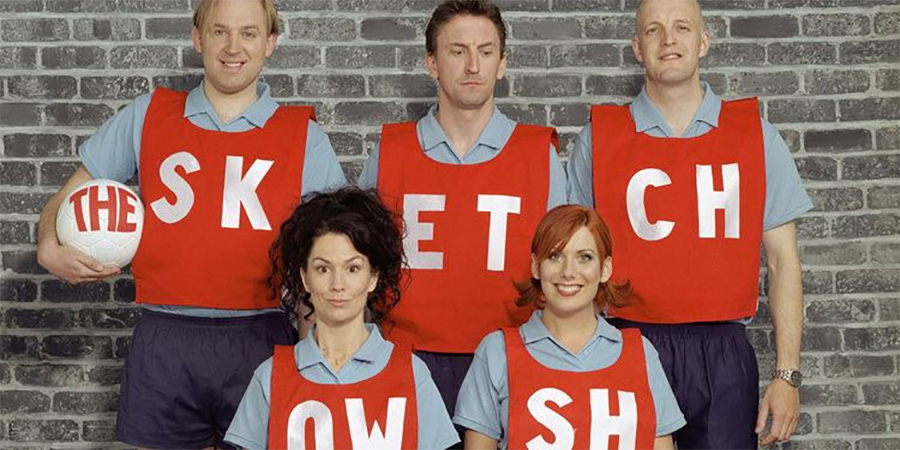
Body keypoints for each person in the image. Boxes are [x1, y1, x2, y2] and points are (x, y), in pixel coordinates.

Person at [35, 0, 346, 447]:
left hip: (261, 335)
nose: (233, 47)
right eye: (220, 32)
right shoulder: (149, 114)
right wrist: (48, 244)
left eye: (249, 33)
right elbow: (66, 196)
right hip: (164, 337)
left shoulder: (304, 136)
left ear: (271, 43)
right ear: (198, 38)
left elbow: (330, 253)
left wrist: (317, 345)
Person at [566, 0, 812, 447]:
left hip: (722, 350)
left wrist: (787, 375)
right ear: (637, 47)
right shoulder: (599, 138)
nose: (668, 39)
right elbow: (569, 263)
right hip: (627, 343)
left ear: (703, 42)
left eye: (681, 27)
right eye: (653, 30)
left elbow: (783, 262)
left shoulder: (755, 136)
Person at [358, 0, 567, 418]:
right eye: (457, 51)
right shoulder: (391, 152)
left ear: (502, 63)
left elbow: (565, 271)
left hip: (512, 360)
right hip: (405, 358)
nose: (473, 65)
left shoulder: (538, 155)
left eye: (485, 52)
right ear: (431, 63)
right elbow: (355, 259)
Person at [224, 187, 459, 449]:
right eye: (323, 268)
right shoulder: (270, 376)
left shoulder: (412, 373)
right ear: (305, 278)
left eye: (353, 268)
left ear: (373, 277)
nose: (338, 284)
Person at [454, 205, 685, 449]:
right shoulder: (496, 352)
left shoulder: (641, 353)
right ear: (536, 266)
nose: (568, 272)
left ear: (605, 268)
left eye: (584, 257)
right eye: (555, 256)